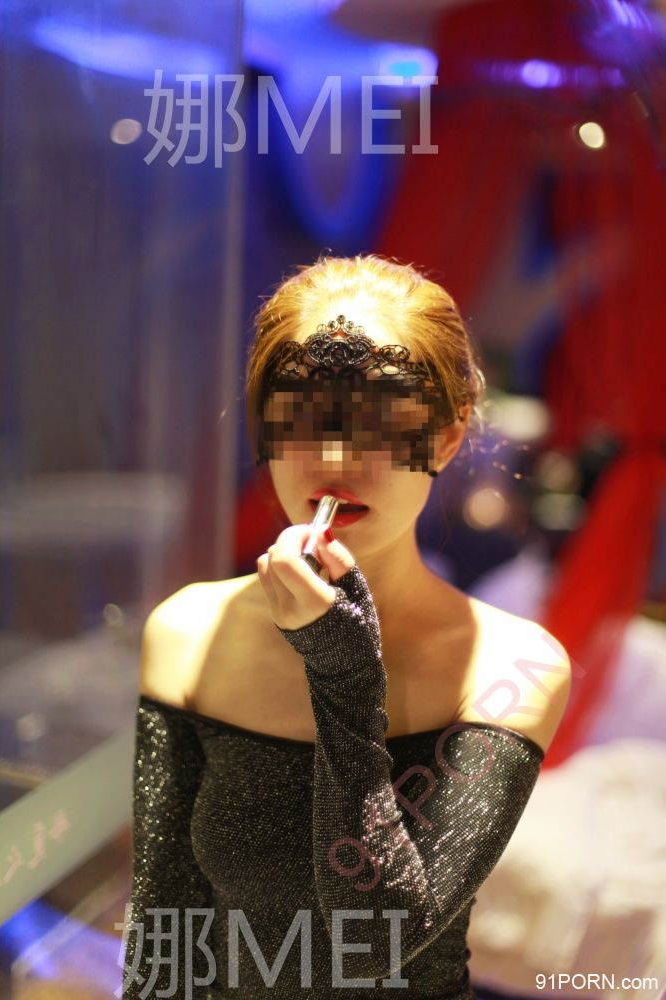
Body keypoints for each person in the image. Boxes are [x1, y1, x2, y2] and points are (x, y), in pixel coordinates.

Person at [120, 254, 571, 999]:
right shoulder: (187, 631)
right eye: (300, 419)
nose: (334, 458)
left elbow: (373, 939)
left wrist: (343, 671)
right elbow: (164, 935)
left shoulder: (513, 667)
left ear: (448, 437)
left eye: (380, 422)